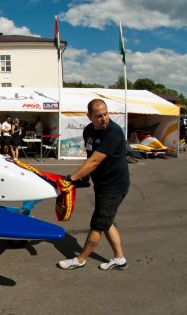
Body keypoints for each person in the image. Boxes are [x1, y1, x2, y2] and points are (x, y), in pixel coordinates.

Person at [58, 99, 130, 270]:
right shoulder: (89, 131)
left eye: (106, 114)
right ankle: (120, 259)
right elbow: (91, 157)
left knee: (98, 224)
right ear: (89, 116)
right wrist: (86, 177)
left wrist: (72, 178)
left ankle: (80, 259)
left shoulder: (114, 132)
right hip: (102, 184)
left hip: (114, 187)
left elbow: (96, 161)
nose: (104, 118)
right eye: (99, 116)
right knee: (106, 220)